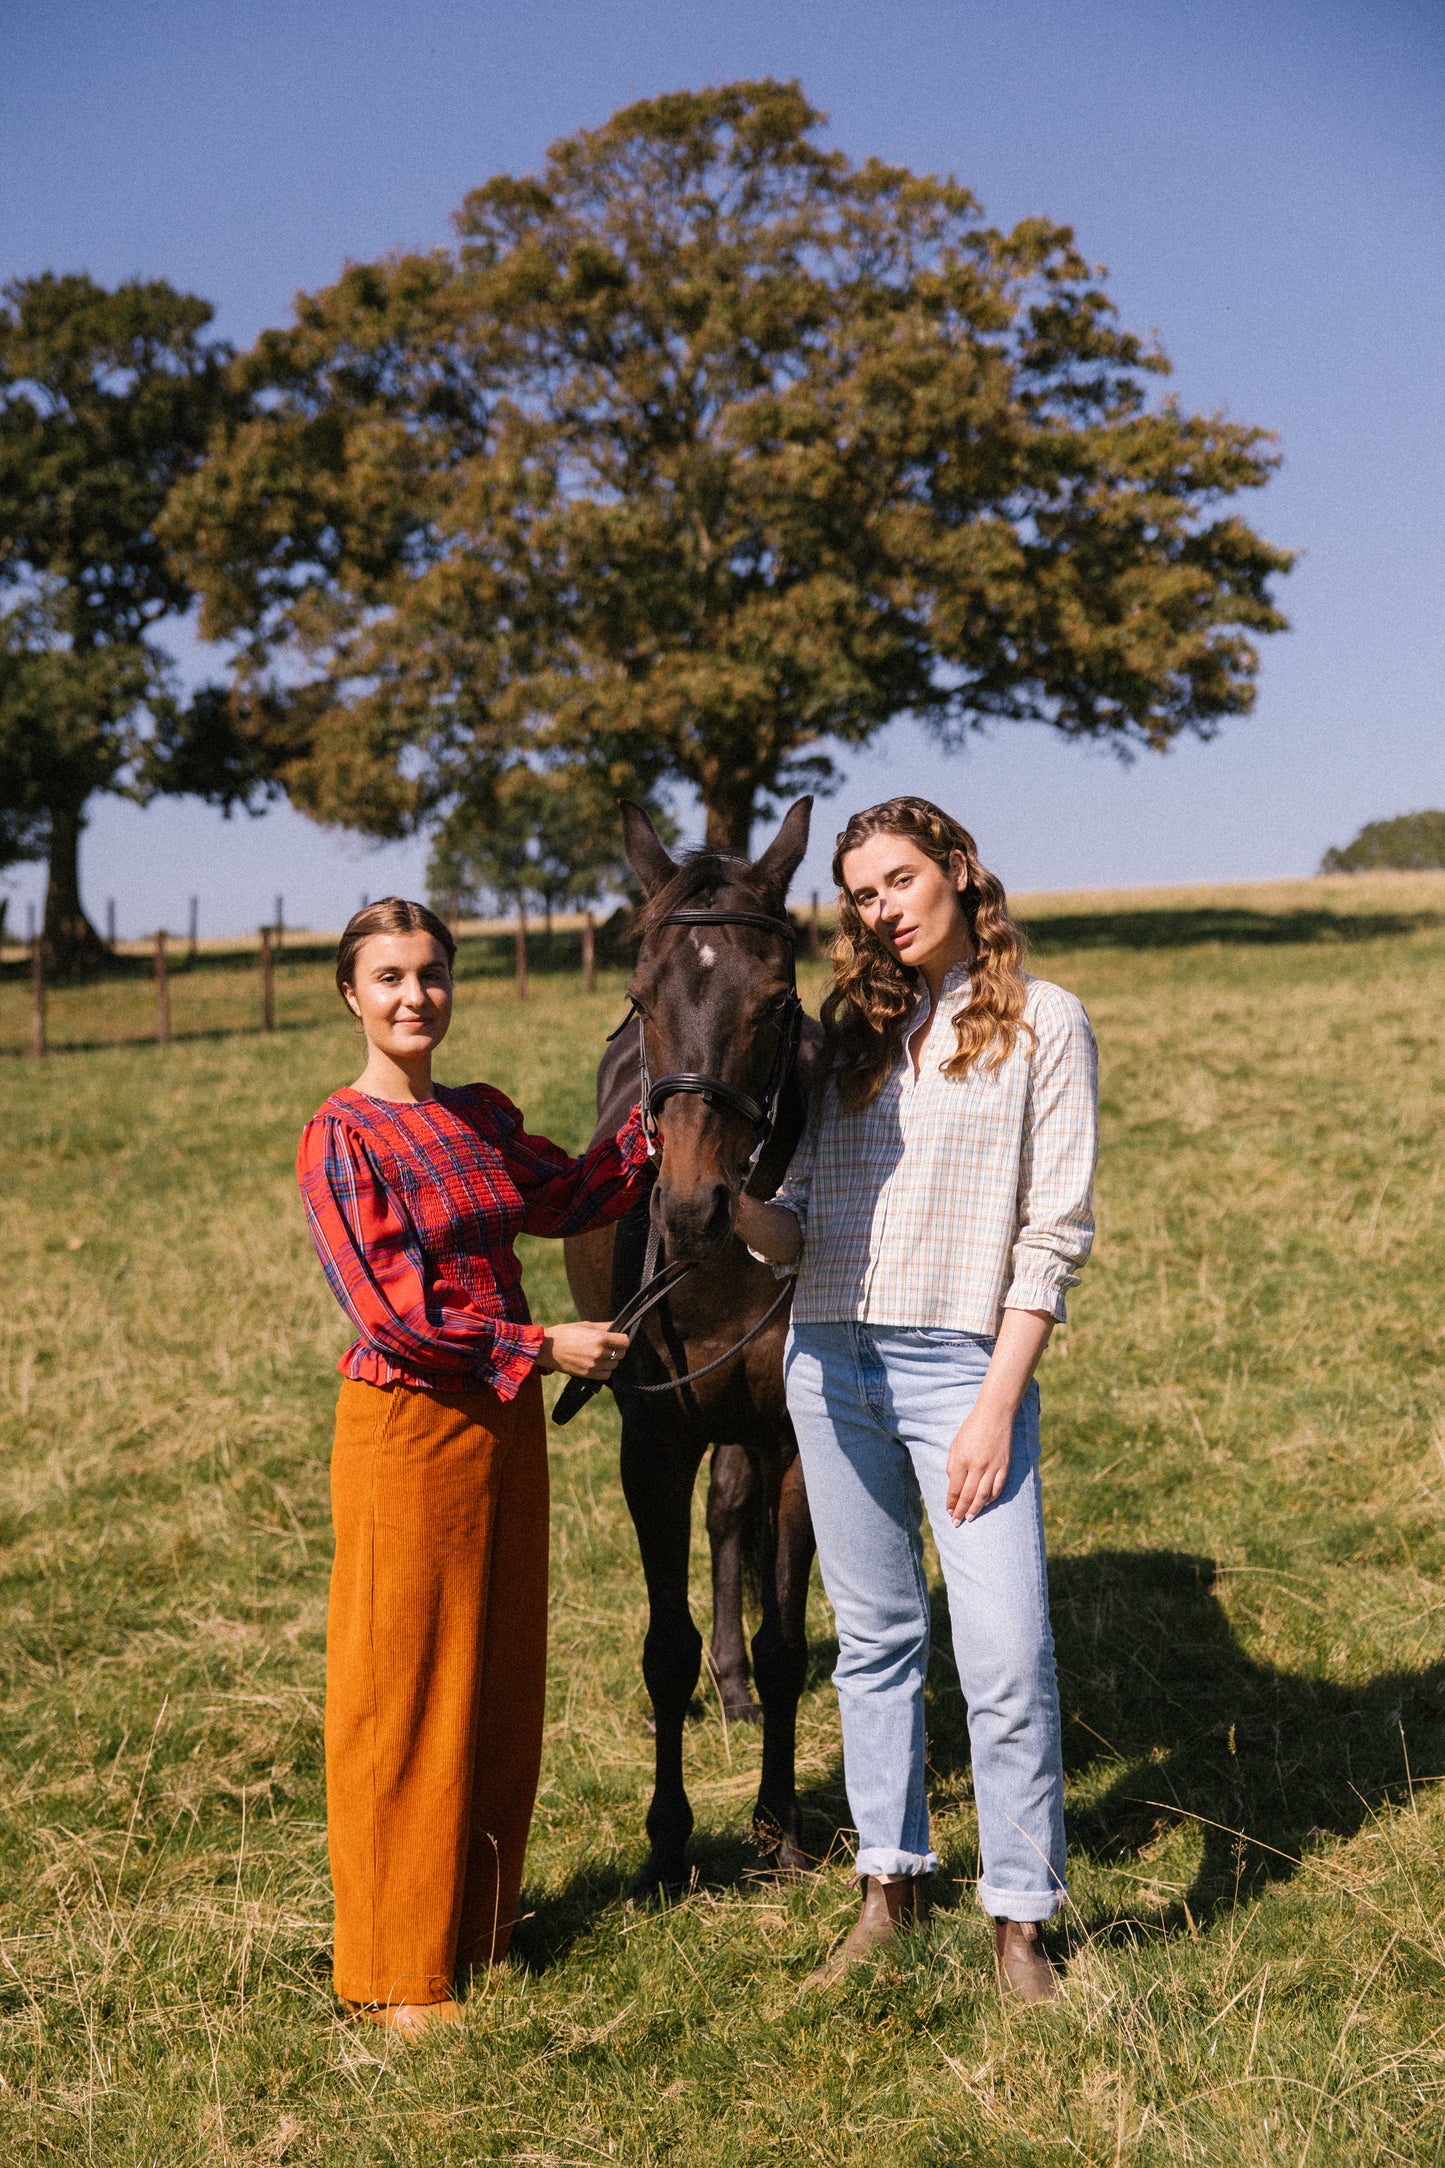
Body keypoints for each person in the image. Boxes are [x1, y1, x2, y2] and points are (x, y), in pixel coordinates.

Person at [736, 798, 1097, 2003]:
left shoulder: (1045, 1023)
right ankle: (885, 1885)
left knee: (1003, 1651)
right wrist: (718, 1208)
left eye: (896, 878)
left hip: (963, 1370)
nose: (880, 907)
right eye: (860, 893)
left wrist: (997, 1402)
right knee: (876, 1641)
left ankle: (1019, 1921)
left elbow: (1051, 1234)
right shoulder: (842, 1043)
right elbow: (790, 1223)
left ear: (956, 869)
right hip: (828, 1362)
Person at [296, 897, 644, 2036]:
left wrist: (666, 1103)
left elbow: (569, 1194)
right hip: (407, 1426)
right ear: (351, 993)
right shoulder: (342, 1134)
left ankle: (475, 1929)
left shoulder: (476, 1115)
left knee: (496, 1677)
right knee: (401, 1690)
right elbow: (394, 1314)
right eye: (389, 977)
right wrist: (541, 1344)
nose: (414, 997)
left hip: (502, 1424)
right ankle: (397, 1970)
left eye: (432, 974)